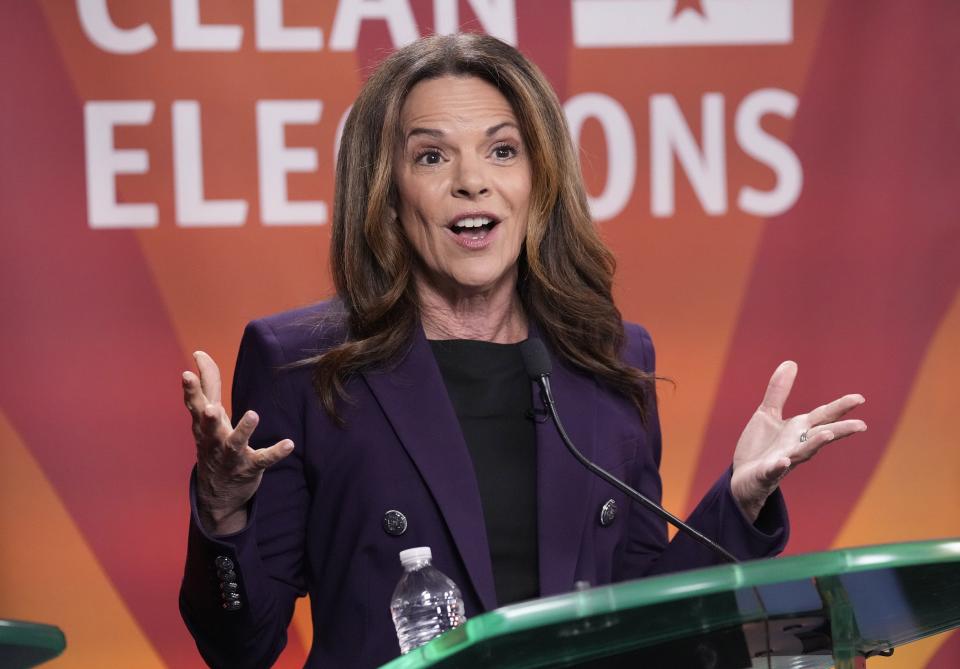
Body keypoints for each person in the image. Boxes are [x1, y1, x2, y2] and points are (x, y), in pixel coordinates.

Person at [178, 33, 867, 668]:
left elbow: (636, 623)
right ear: (386, 194)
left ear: (539, 183)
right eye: (431, 155)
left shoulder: (607, 360)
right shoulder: (301, 363)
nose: (472, 180)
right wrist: (223, 507)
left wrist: (737, 503)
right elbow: (242, 647)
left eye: (502, 150)